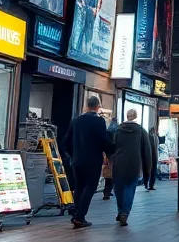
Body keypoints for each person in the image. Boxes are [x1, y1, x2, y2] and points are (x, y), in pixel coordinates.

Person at [62, 96, 113, 228]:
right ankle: (80, 217)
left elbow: (65, 142)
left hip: (77, 161)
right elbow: (103, 141)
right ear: (97, 106)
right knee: (90, 187)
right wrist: (112, 150)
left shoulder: (76, 121)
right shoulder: (99, 121)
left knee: (79, 187)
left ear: (86, 106)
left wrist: (73, 155)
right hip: (93, 161)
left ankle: (76, 214)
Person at [110, 110, 152, 225]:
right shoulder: (141, 131)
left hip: (119, 163)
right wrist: (148, 169)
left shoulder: (117, 130)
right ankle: (124, 213)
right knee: (129, 188)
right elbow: (147, 152)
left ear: (126, 116)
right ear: (136, 117)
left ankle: (120, 210)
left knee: (118, 189)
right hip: (134, 164)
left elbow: (111, 147)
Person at [102, 118, 117, 201]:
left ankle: (106, 191)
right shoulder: (118, 131)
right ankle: (108, 191)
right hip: (114, 154)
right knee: (112, 174)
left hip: (108, 154)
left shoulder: (107, 131)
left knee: (108, 174)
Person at [144, 126, 159, 190]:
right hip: (150, 157)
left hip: (154, 157)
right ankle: (147, 184)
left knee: (153, 171)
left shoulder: (156, 138)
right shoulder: (149, 138)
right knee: (148, 170)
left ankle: (151, 185)